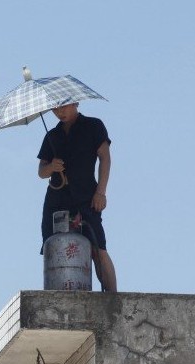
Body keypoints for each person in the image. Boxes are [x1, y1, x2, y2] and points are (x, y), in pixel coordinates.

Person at [37, 102, 117, 292]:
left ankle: (114, 298)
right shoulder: (52, 135)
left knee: (98, 248)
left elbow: (105, 157)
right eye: (54, 109)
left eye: (63, 106)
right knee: (54, 247)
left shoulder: (93, 125)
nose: (59, 112)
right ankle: (58, 292)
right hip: (56, 201)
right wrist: (51, 167)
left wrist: (101, 192)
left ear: (76, 102)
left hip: (86, 197)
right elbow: (41, 171)